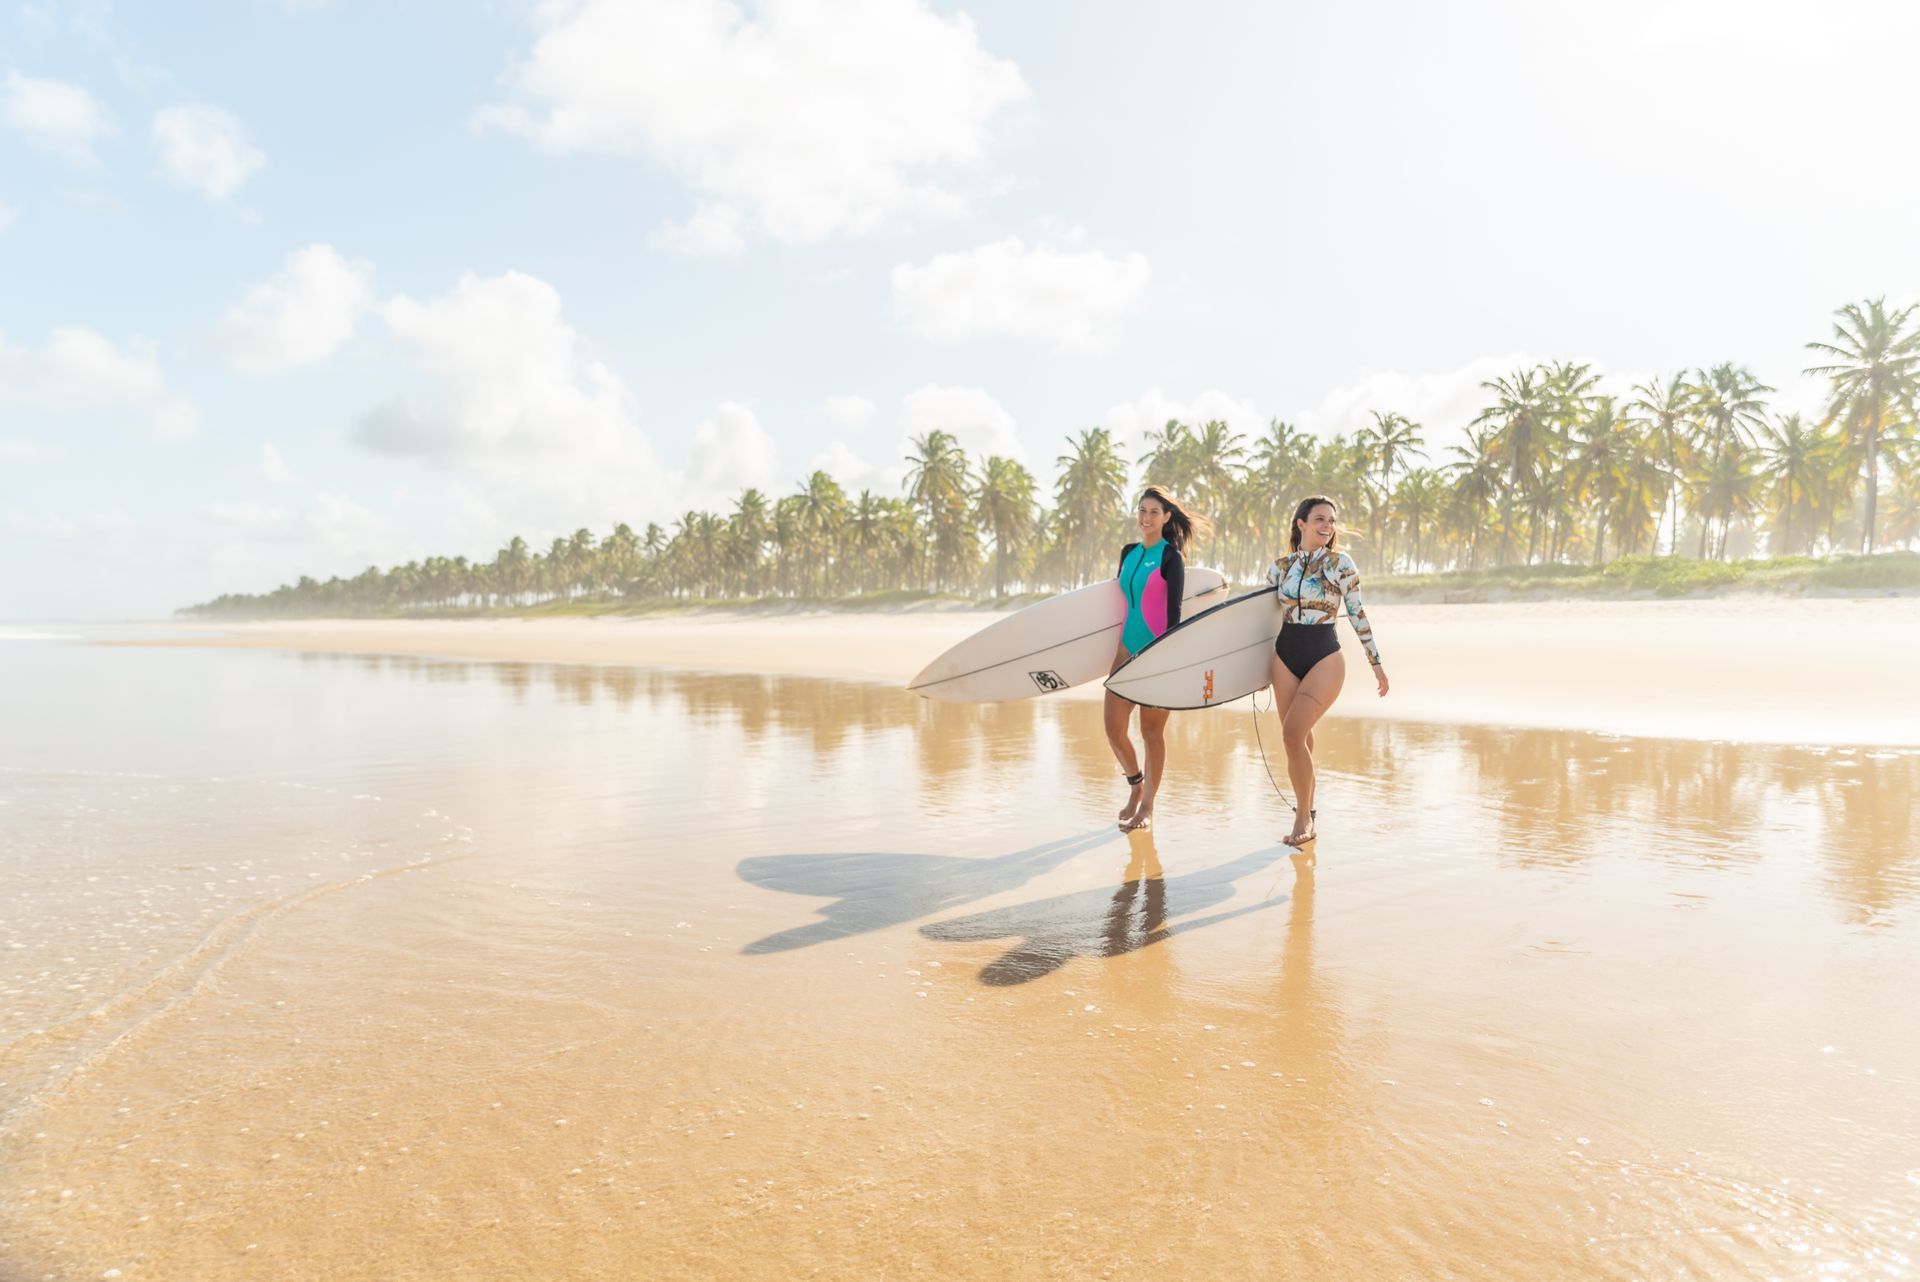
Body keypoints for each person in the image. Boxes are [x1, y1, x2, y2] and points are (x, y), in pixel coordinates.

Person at [1265, 496, 1388, 846]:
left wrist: (1375, 663)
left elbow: (1357, 613)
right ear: (1301, 523)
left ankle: (1304, 818)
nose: (1328, 526)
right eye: (1320, 519)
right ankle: (1308, 806)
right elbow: (1261, 620)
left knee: (1291, 734)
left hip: (1324, 657)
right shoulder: (1280, 567)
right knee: (1297, 739)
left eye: (1332, 521)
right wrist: (1253, 671)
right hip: (1284, 655)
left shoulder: (1340, 564)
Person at [1107, 485, 1209, 832]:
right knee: (1113, 728)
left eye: (1153, 511)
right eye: (1141, 510)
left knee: (1151, 732)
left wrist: (1166, 661)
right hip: (1124, 650)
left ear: (1167, 517)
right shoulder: (1128, 553)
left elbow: (1173, 614)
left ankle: (1148, 806)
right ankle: (1136, 785)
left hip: (1156, 654)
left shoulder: (1171, 557)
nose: (1145, 517)